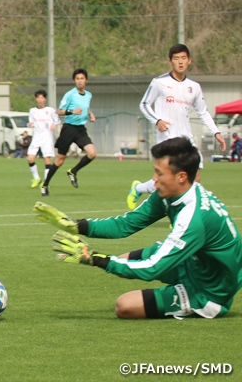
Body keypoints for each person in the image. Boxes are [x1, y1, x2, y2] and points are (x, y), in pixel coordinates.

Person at [34, 136, 242, 319]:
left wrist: (95, 258)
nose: (154, 179)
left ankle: (191, 300)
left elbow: (153, 267)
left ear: (181, 177)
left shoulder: (194, 217)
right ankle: (174, 291)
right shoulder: (171, 194)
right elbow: (126, 224)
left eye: (160, 173)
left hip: (211, 290)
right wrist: (77, 226)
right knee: (123, 262)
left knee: (124, 306)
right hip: (193, 264)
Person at [127, 44, 227, 210]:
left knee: (195, 177)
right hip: (167, 138)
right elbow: (144, 104)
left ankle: (139, 188)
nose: (180, 62)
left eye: (183, 58)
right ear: (170, 61)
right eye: (176, 59)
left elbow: (203, 112)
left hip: (187, 138)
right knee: (169, 178)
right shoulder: (159, 82)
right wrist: (157, 120)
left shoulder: (194, 87)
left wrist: (216, 132)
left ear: (189, 61)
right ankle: (175, 212)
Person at [39, 69, 96, 196]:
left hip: (81, 129)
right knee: (60, 160)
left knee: (92, 153)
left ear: (86, 80)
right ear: (74, 81)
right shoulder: (70, 94)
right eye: (77, 79)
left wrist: (91, 114)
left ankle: (73, 171)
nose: (80, 81)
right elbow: (59, 111)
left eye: (82, 78)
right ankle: (45, 184)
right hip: (69, 129)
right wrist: (72, 112)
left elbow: (86, 107)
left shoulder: (88, 95)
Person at [27, 89, 60, 188]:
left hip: (47, 138)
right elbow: (30, 123)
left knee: (47, 160)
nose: (40, 100)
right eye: (38, 97)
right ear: (36, 99)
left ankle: (46, 183)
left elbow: (57, 120)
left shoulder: (50, 110)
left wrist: (54, 124)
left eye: (42, 97)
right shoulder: (32, 111)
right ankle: (36, 178)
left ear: (45, 99)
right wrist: (30, 124)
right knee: (30, 158)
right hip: (36, 137)